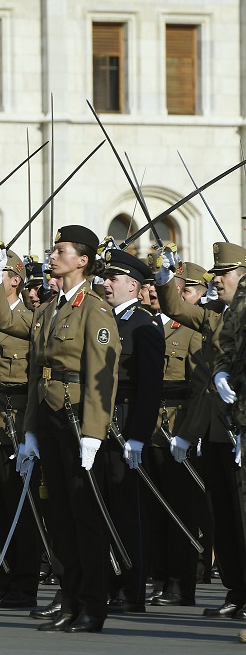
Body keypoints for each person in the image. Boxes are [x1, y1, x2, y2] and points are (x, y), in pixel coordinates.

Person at [17, 225, 119, 633]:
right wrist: (29, 429)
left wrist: (95, 432)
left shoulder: (94, 308)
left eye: (61, 250)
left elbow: (102, 374)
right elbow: (35, 376)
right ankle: (70, 600)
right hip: (50, 418)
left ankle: (93, 605)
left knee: (85, 517)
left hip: (78, 421)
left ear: (83, 260)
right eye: (54, 249)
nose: (53, 255)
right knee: (59, 517)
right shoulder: (49, 308)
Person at [178, 241, 246, 619]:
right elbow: (177, 309)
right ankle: (236, 591)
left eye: (223, 274)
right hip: (222, 432)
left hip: (241, 431)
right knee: (223, 515)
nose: (216, 280)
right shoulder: (218, 316)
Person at [99, 249, 164, 613]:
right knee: (103, 507)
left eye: (114, 279)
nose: (106, 284)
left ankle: (131, 590)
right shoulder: (103, 319)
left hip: (125, 422)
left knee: (127, 510)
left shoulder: (143, 325)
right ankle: (108, 583)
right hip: (100, 421)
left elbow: (150, 387)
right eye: (105, 278)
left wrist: (138, 435)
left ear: (134, 286)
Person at [0, 248, 43, 609]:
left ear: (15, 279)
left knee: (22, 505)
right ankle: (3, 575)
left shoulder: (31, 320)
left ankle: (24, 582)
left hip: (17, 423)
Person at [144, 261, 206, 606]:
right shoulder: (150, 326)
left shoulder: (192, 331)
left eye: (184, 290)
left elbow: (199, 388)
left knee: (180, 510)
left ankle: (182, 584)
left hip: (177, 428)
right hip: (151, 428)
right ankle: (161, 577)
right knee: (155, 509)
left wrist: (189, 433)